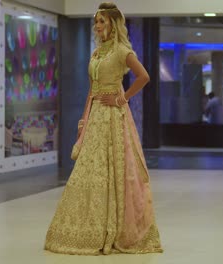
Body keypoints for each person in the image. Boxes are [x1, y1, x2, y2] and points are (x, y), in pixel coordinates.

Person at [44, 2, 163, 255]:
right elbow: (92, 90)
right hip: (95, 115)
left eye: (102, 21)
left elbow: (144, 76)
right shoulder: (96, 54)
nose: (97, 26)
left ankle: (117, 228)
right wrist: (83, 121)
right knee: (88, 172)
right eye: (96, 22)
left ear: (113, 24)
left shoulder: (122, 51)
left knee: (115, 172)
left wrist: (122, 98)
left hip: (114, 118)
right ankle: (86, 228)